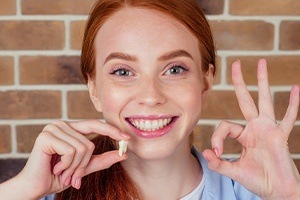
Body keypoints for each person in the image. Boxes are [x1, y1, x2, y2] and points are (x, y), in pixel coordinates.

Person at [0, 0, 299, 199]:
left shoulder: (259, 192)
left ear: (205, 81)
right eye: (122, 71)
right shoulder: (49, 193)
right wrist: (24, 189)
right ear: (94, 89)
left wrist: (289, 194)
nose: (150, 96)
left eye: (174, 69)